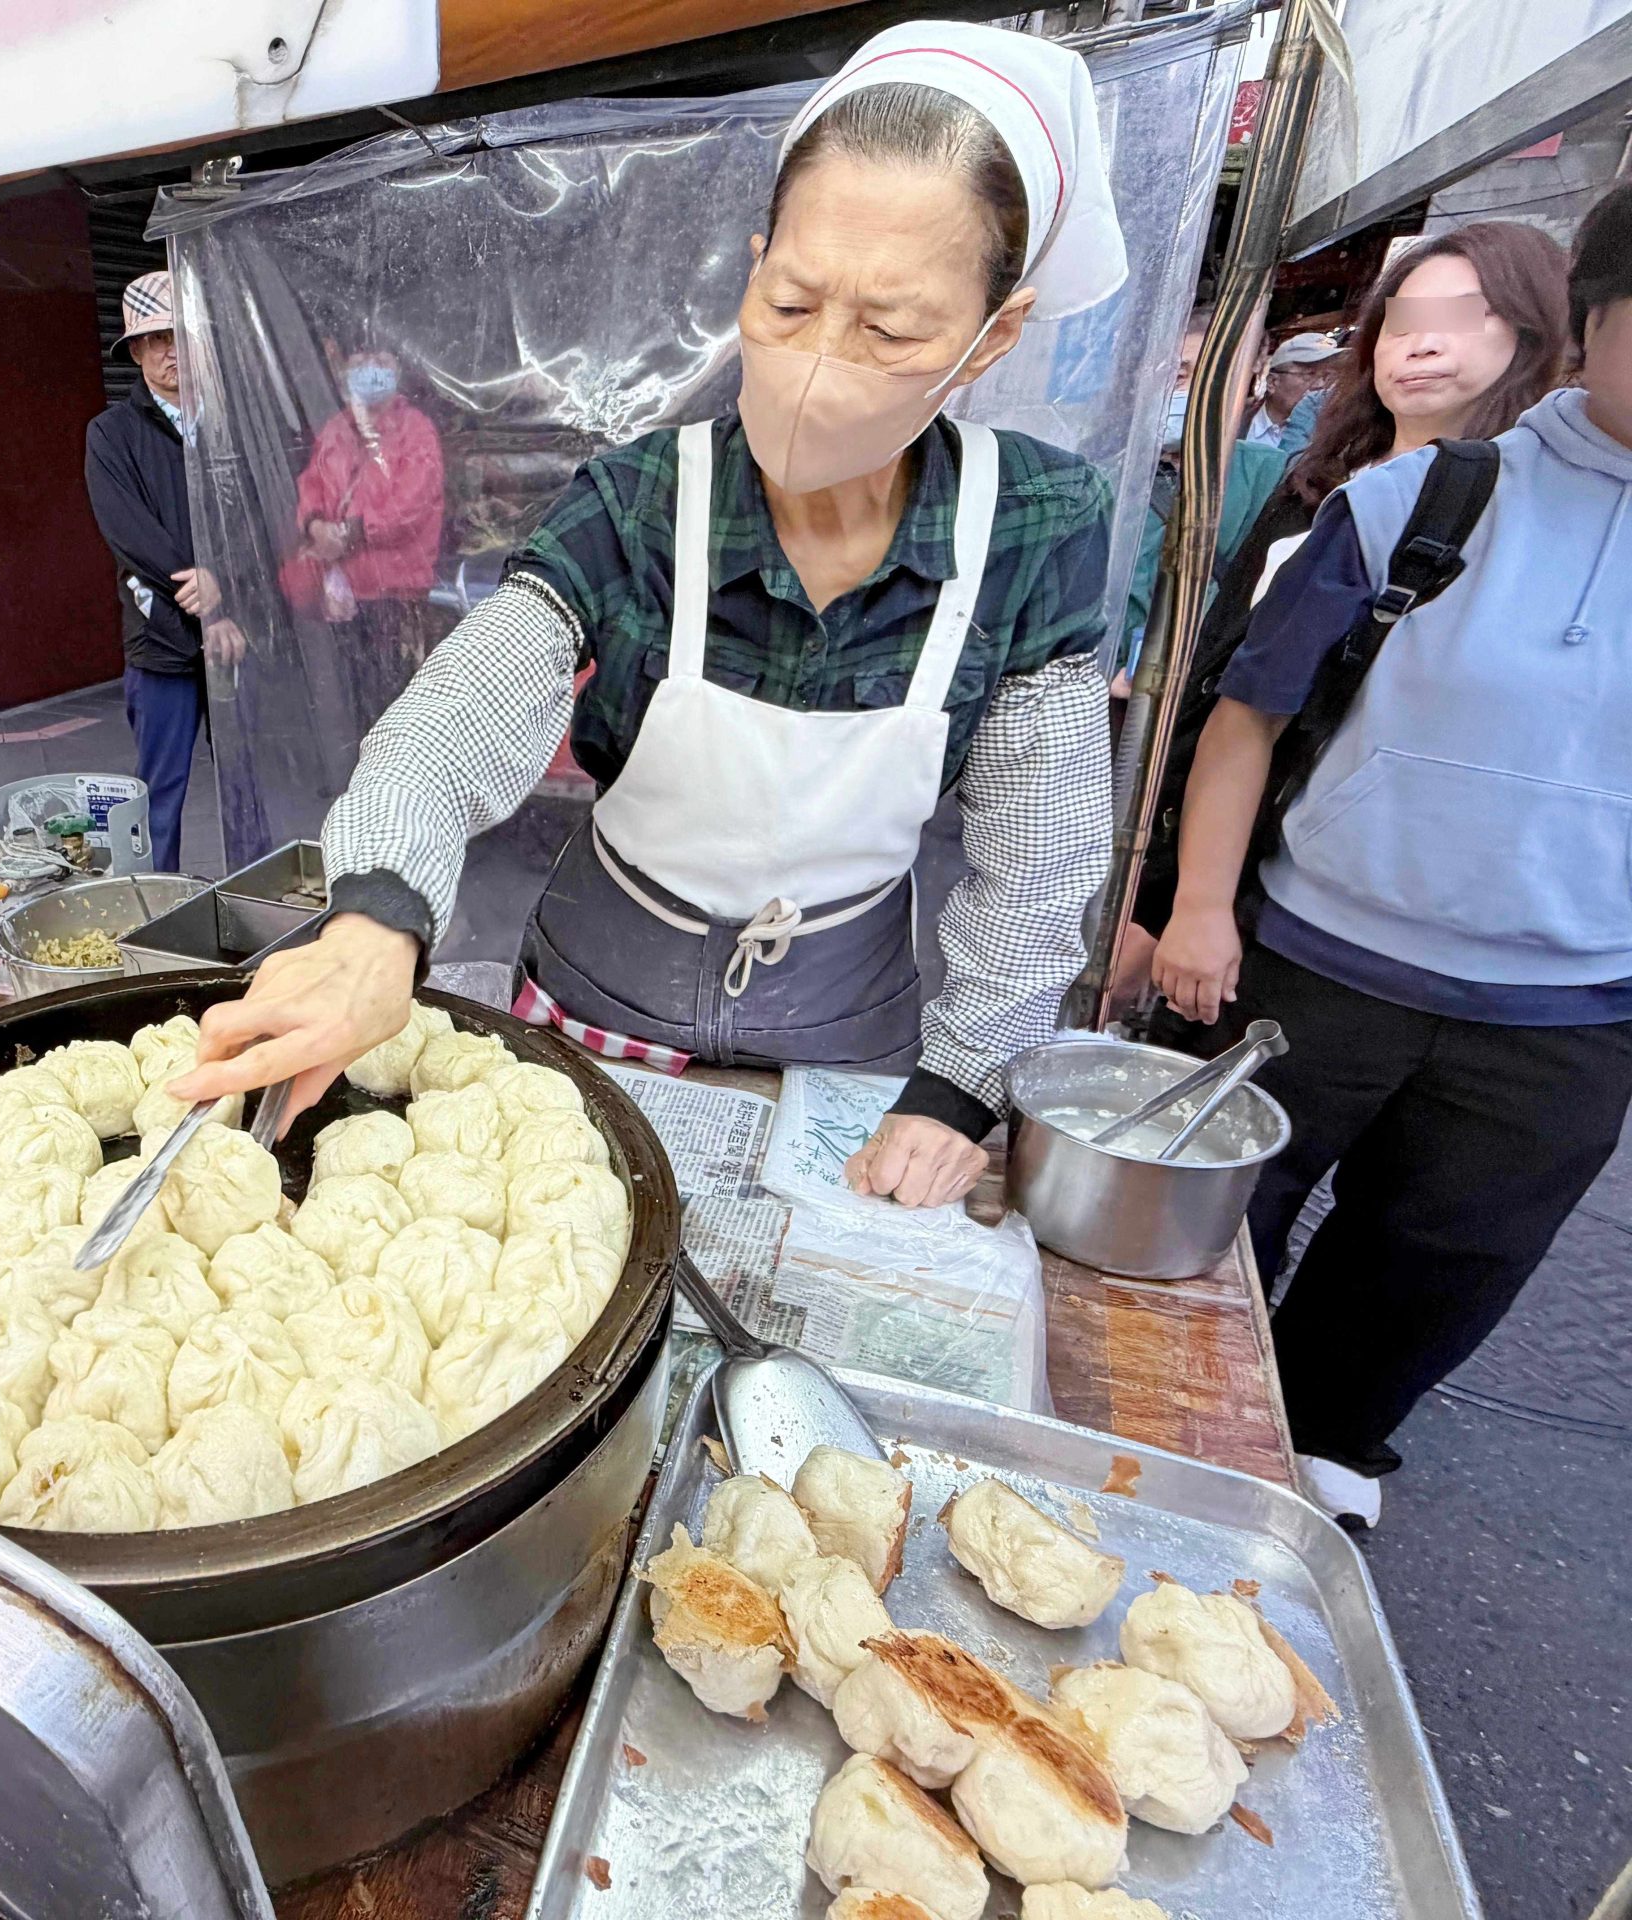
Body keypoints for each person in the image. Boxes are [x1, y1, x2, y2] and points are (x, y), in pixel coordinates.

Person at [178, 21, 1125, 1210]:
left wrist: (958, 1084)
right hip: (597, 995)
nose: (821, 362)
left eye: (890, 330)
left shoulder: (1032, 525)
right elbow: (451, 725)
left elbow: (1040, 858)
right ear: (751, 263)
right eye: (789, 302)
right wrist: (374, 918)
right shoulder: (641, 501)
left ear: (995, 333)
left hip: (844, 1043)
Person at [1145, 188, 1631, 1526]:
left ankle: (1326, 1450)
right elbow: (1246, 717)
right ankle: (1171, 1448)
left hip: (1571, 1011)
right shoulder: (1422, 497)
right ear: (1589, 323)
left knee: (1443, 1259)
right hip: (1324, 960)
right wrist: (1195, 909)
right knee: (1221, 1212)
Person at [1129, 221, 1568, 945]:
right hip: (1230, 856)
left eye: (1460, 319)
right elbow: (1221, 686)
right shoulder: (1313, 487)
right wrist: (1166, 901)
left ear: (1533, 335)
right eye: (1401, 324)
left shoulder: (1544, 519)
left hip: (1397, 900)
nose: (1421, 346)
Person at [82, 271, 242, 871]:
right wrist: (197, 584)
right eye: (153, 341)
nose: (169, 350)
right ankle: (157, 916)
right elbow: (127, 529)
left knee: (250, 785)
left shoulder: (233, 424)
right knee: (159, 793)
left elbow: (260, 514)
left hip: (239, 637)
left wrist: (227, 582)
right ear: (137, 353)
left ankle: (264, 907)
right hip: (161, 639)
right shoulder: (112, 433)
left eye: (179, 335)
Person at [278, 343, 449, 738]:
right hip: (346, 589)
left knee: (399, 694)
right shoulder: (337, 428)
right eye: (360, 362)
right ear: (343, 372)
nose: (371, 371)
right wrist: (316, 524)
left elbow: (412, 504)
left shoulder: (416, 429)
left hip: (396, 589)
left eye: (382, 361)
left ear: (398, 370)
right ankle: (363, 776)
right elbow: (312, 484)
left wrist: (350, 534)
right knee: (354, 690)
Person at [1117, 304, 1289, 685]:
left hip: (1202, 693)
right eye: (1180, 375)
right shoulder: (1108, 470)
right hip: (1097, 695)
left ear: (1249, 385)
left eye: (1217, 377)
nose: (1195, 392)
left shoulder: (1273, 476)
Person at [1244, 332, 1342, 447]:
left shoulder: (1335, 436)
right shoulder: (1233, 422)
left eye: (1327, 376)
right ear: (1272, 382)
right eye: (1309, 374)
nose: (1320, 385)